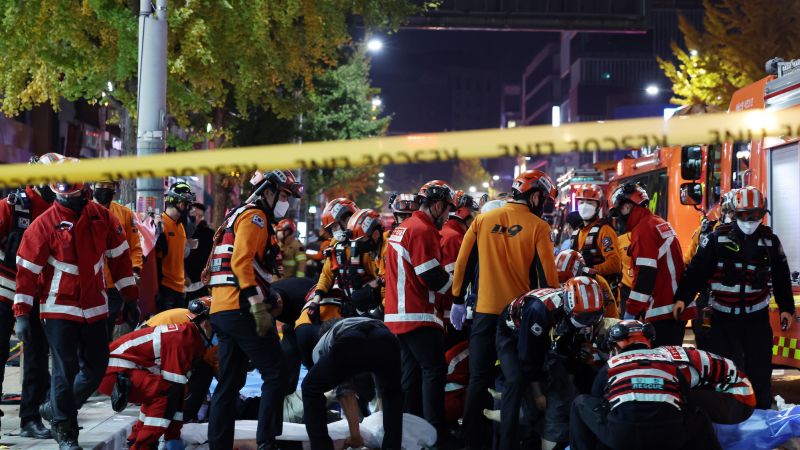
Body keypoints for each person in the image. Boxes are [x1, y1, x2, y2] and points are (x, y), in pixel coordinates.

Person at [14, 157, 139, 450]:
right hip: (59, 307)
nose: (64, 198)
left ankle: (56, 407)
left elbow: (120, 259)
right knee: (64, 368)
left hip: (96, 305)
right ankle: (66, 431)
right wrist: (22, 313)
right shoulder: (44, 225)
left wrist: (131, 299)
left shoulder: (102, 217)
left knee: (97, 367)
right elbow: (27, 270)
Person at [451, 170, 559, 450]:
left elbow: (463, 264)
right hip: (517, 318)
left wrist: (457, 299)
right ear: (534, 195)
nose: (543, 204)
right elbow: (549, 280)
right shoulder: (538, 227)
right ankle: (513, 442)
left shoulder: (482, 220)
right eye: (543, 199)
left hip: (483, 313)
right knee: (517, 379)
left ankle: (472, 442)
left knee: (477, 378)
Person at [674, 186, 795, 409]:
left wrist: (787, 307)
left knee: (759, 369)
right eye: (744, 215)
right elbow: (696, 272)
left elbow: (781, 277)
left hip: (756, 318)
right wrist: (683, 297)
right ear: (735, 213)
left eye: (756, 215)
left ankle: (760, 413)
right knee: (723, 367)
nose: (750, 221)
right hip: (722, 318)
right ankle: (724, 413)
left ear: (763, 214)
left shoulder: (770, 242)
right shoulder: (716, 240)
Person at [207, 169, 303, 450]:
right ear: (268, 191)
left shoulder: (237, 215)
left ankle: (218, 445)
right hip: (242, 308)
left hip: (222, 310)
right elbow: (240, 262)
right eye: (284, 194)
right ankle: (267, 443)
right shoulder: (256, 217)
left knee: (229, 383)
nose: (286, 201)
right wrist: (257, 306)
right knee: (277, 374)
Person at [569, 320, 756, 450]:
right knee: (690, 412)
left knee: (587, 405)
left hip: (738, 395)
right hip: (670, 434)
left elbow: (598, 403)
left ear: (616, 347)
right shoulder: (666, 360)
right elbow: (685, 402)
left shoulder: (613, 364)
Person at [384, 180, 455, 446]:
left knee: (409, 379)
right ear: (437, 205)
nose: (448, 215)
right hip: (419, 315)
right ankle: (434, 435)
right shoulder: (422, 229)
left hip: (397, 316)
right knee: (433, 372)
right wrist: (457, 290)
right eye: (447, 209)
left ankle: (408, 434)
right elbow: (431, 277)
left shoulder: (403, 228)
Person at [496, 277, 605, 450]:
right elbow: (528, 354)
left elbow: (569, 346)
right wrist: (538, 393)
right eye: (585, 318)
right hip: (512, 333)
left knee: (576, 367)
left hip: (544, 331)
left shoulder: (578, 312)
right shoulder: (539, 309)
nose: (589, 323)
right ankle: (506, 444)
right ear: (568, 306)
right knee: (515, 381)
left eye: (593, 317)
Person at [0, 153, 63, 439]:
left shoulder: (58, 213)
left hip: (38, 296)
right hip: (4, 292)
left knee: (37, 358)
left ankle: (30, 419)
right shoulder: (12, 207)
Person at [99, 318, 207, 450]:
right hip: (114, 372)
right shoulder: (183, 339)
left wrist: (173, 436)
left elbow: (177, 394)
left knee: (158, 393)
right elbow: (173, 391)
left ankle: (135, 441)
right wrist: (173, 437)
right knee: (165, 392)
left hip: (113, 369)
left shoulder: (187, 336)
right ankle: (143, 446)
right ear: (206, 324)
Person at [609, 182, 692, 346]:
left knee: (658, 366)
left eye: (618, 211)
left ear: (627, 207)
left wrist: (631, 312)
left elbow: (646, 275)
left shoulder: (643, 230)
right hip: (673, 309)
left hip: (662, 312)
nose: (618, 218)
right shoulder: (657, 222)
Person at [302, 317, 402, 450]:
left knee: (310, 388)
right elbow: (383, 388)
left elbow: (345, 391)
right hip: (387, 339)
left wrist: (355, 436)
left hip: (351, 341)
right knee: (392, 392)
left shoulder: (323, 342)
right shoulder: (359, 321)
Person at [143, 297, 217, 422]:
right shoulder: (188, 331)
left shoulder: (189, 321)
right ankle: (185, 416)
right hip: (152, 356)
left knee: (201, 370)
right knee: (201, 371)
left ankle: (184, 414)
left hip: (152, 349)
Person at [92, 180, 144, 335]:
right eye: (101, 186)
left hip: (115, 284)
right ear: (93, 187)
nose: (105, 190)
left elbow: (135, 246)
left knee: (111, 327)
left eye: (109, 187)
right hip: (91, 283)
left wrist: (135, 270)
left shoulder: (125, 214)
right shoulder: (84, 211)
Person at [440, 190, 479, 349]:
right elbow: (457, 276)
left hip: (447, 311)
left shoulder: (448, 232)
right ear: (462, 212)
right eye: (473, 213)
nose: (475, 218)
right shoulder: (455, 237)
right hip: (452, 313)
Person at [571, 183, 622, 293]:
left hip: (604, 293)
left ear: (598, 206)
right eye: (581, 202)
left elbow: (615, 264)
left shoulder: (605, 231)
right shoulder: (576, 232)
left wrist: (589, 270)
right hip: (582, 293)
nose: (584, 206)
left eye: (589, 203)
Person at [155, 181, 195, 312]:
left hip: (179, 289)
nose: (187, 207)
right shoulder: (160, 224)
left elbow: (179, 256)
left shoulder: (181, 226)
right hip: (165, 289)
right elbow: (155, 258)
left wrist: (185, 275)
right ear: (174, 200)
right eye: (185, 203)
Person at [555, 249, 619, 318]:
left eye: (568, 280)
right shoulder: (561, 279)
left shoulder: (597, 283)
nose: (566, 285)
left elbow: (611, 315)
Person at [184, 202, 213, 301]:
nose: (196, 218)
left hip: (200, 282)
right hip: (179, 281)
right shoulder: (179, 230)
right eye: (193, 215)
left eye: (200, 216)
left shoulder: (208, 234)